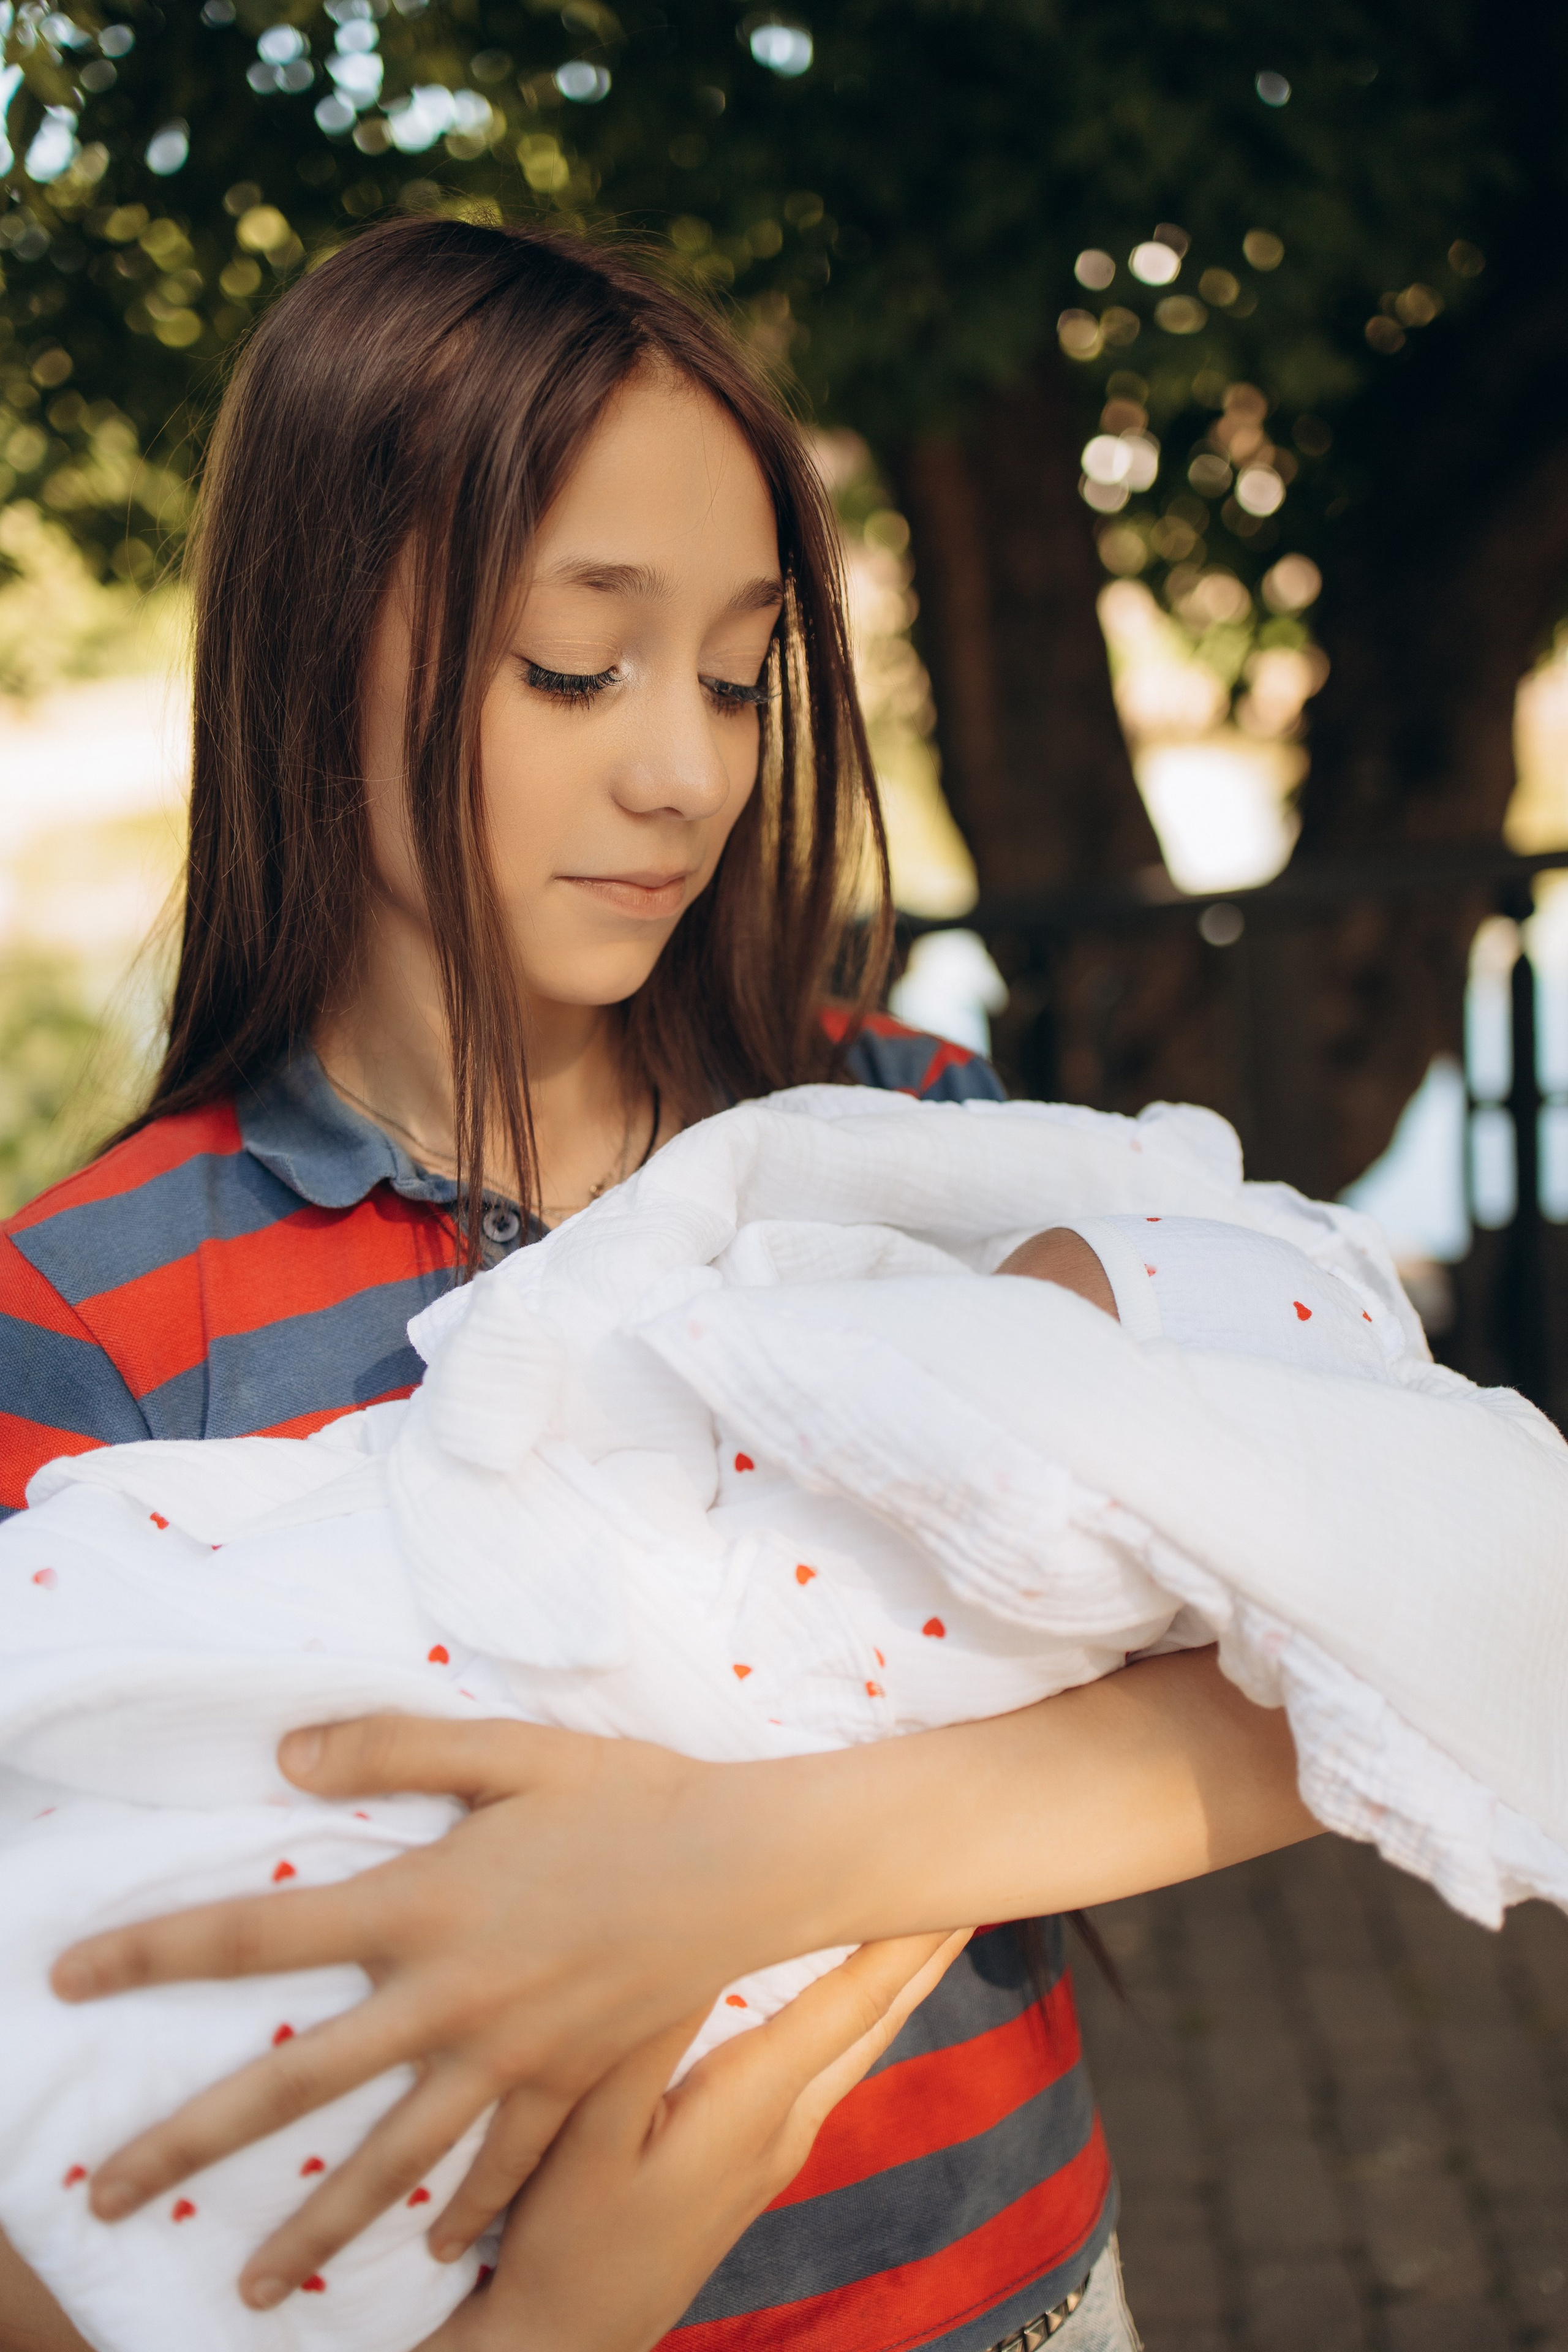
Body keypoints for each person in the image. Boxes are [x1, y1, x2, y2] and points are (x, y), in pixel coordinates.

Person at [0, 217, 1315, 2352]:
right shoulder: (90, 1311)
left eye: (734, 670)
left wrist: (723, 1871)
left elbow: (1309, 1682)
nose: (687, 771)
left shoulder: (913, 1132)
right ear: (308, 648)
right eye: (570, 665)